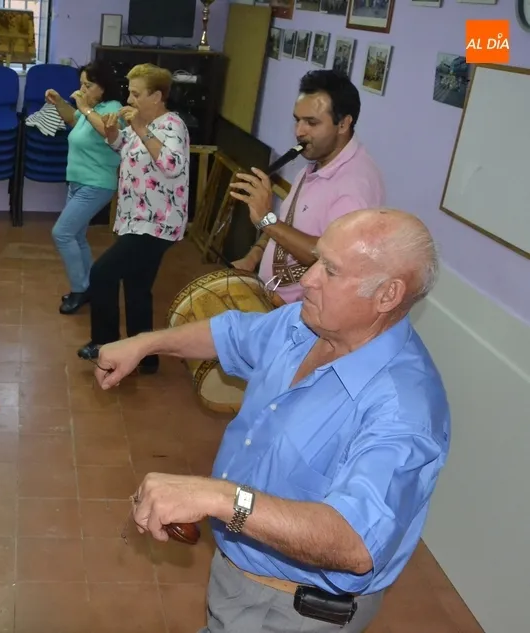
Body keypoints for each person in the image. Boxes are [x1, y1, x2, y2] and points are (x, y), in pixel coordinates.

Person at [93, 209, 450, 633]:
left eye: (331, 270)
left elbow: (356, 542)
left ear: (387, 295)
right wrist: (145, 344)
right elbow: (232, 335)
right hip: (239, 576)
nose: (310, 277)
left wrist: (221, 500)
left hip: (290, 611)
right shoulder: (307, 325)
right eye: (317, 259)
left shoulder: (404, 407)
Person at [229, 69, 386, 307]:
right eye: (297, 120)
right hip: (270, 300)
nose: (299, 132)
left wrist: (266, 219)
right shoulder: (316, 163)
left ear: (343, 124)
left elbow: (328, 257)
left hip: (299, 319)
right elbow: (287, 227)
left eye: (311, 123)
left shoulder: (355, 187)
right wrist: (252, 258)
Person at [76, 63, 190, 373]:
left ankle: (105, 346)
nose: (130, 98)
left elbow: (171, 166)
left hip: (157, 224)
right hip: (135, 219)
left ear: (157, 96)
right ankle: (145, 359)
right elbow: (121, 146)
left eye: (137, 94)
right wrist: (114, 132)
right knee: (138, 288)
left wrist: (139, 127)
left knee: (102, 274)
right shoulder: (139, 122)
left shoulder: (171, 126)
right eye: (130, 91)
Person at [44, 61, 123, 314]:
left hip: (97, 183)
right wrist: (59, 102)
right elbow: (72, 119)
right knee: (76, 235)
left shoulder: (112, 108)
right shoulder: (91, 107)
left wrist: (86, 107)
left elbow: (107, 133)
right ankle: (92, 285)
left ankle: (80, 289)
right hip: (78, 181)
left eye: (88, 85)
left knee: (62, 233)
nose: (82, 89)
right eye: (81, 84)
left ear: (103, 87)